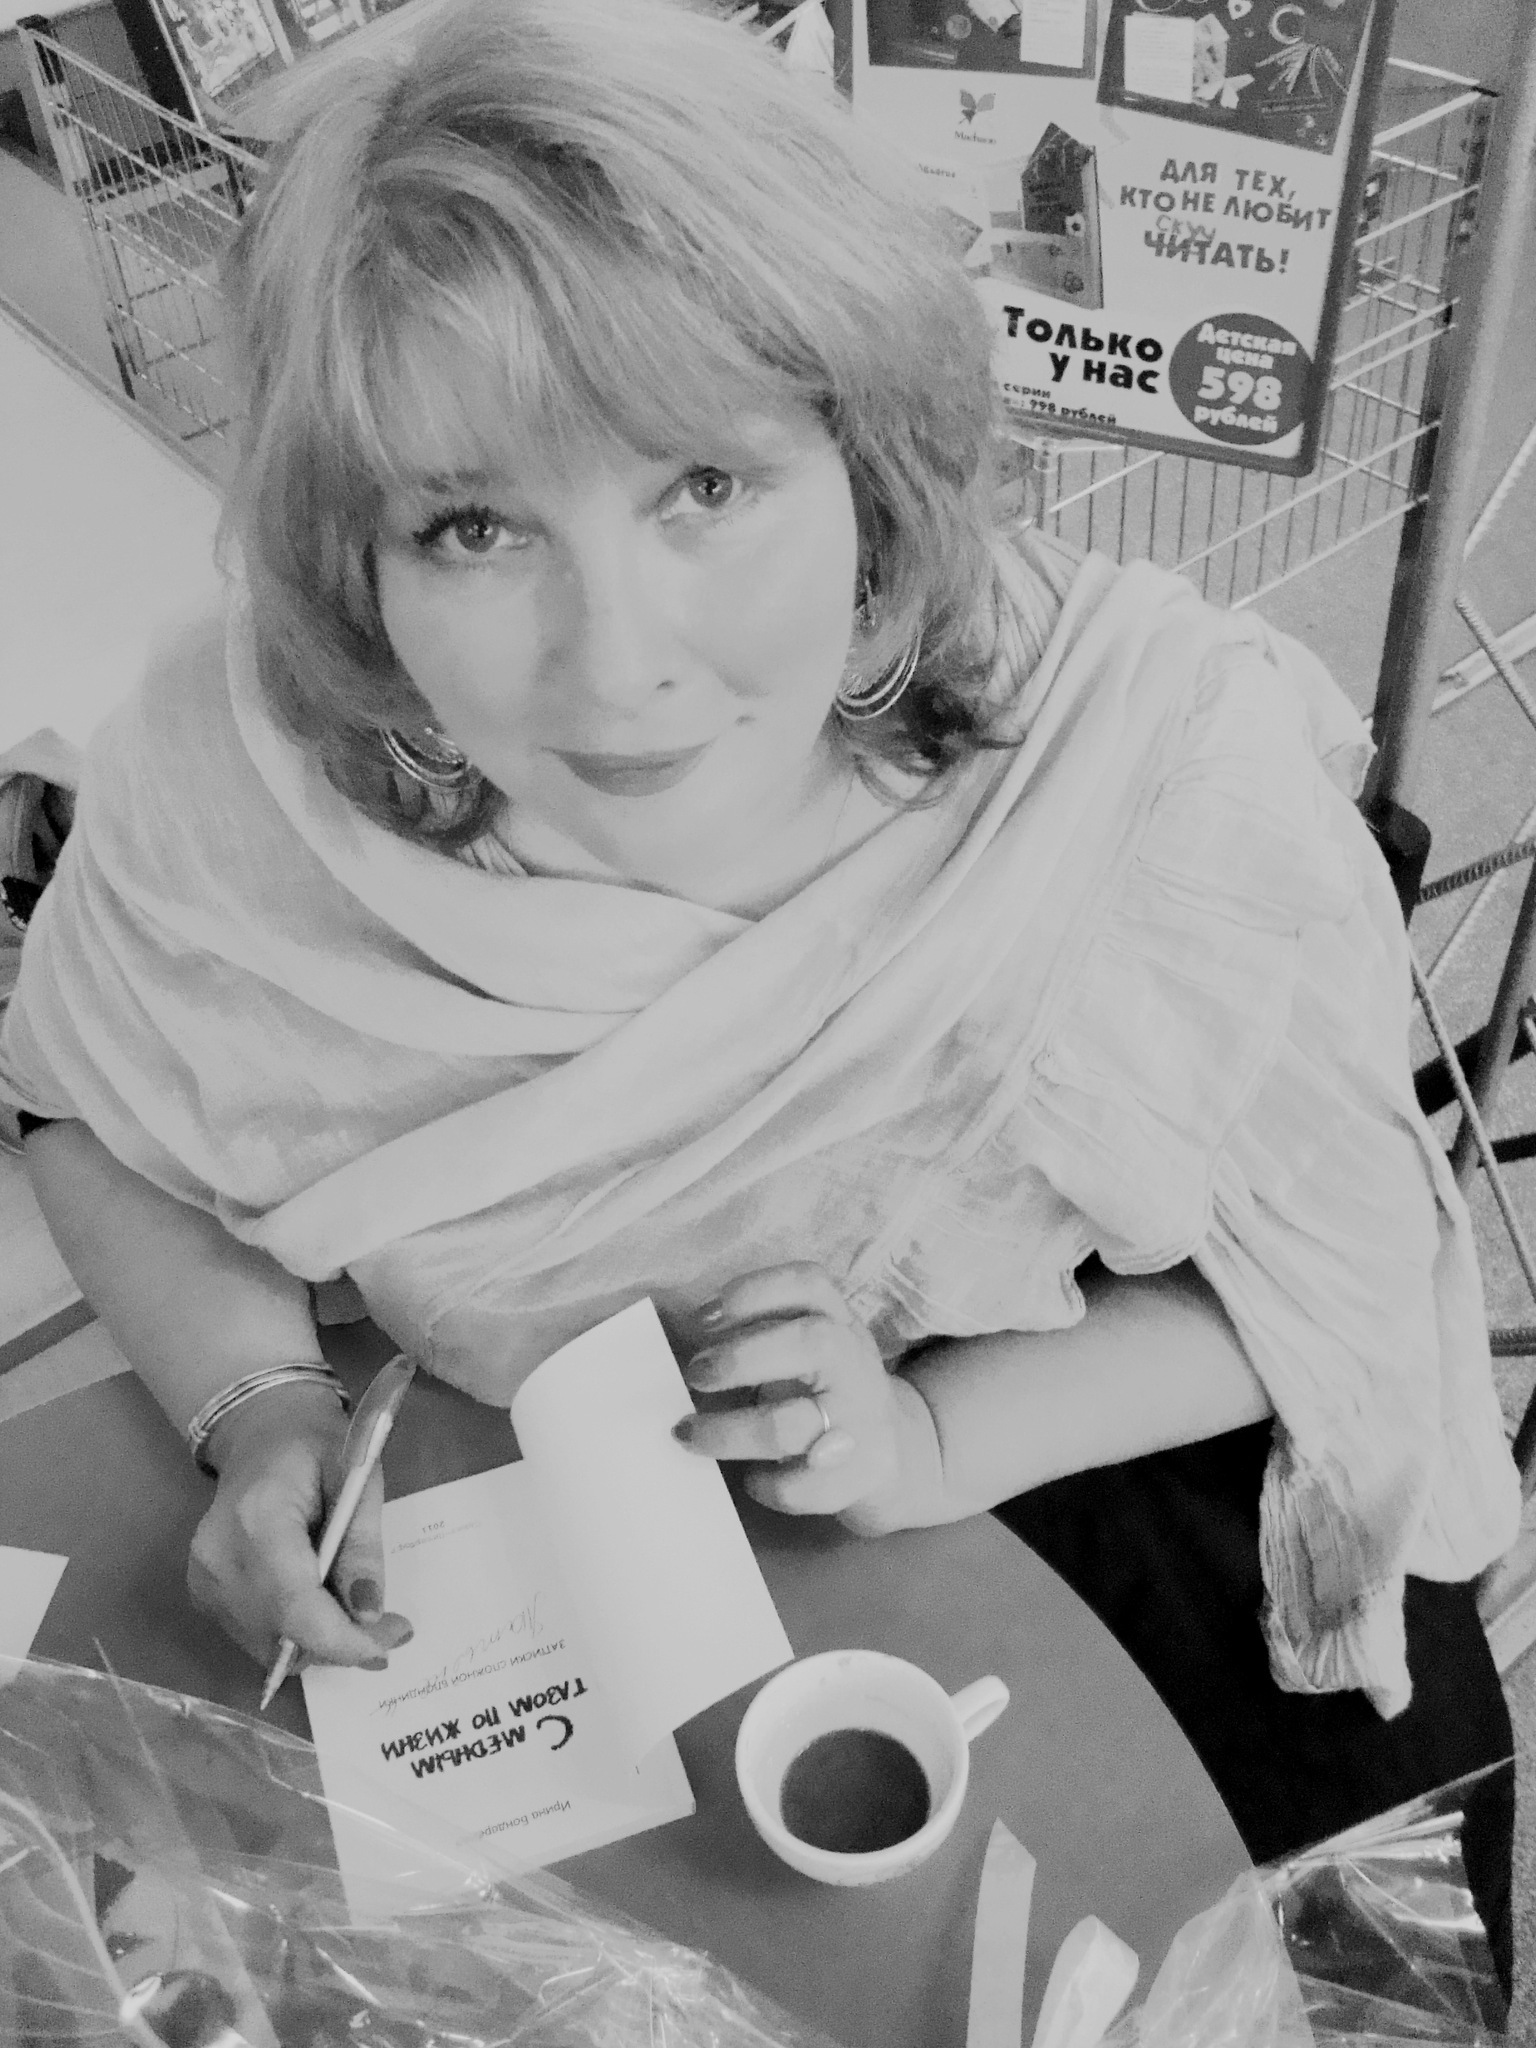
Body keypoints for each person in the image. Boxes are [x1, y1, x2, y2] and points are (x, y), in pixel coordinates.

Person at [2, 0, 1522, 2000]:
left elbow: (1320, 1287)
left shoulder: (1154, 786)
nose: (616, 660)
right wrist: (258, 1405)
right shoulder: (242, 786)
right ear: (352, 566)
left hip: (1082, 1453)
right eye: (472, 525)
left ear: (869, 476)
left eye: (705, 486)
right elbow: (90, 1112)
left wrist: (933, 1435)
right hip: (534, 1552)